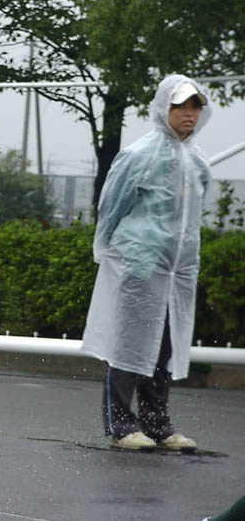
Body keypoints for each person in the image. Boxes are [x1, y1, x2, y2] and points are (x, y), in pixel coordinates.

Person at [80, 74, 212, 451]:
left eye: (195, 106)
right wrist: (106, 250)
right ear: (163, 107)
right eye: (181, 105)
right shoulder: (140, 155)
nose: (189, 113)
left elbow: (191, 217)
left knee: (163, 346)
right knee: (128, 342)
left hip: (177, 272)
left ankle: (157, 425)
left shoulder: (198, 161)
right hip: (138, 263)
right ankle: (122, 425)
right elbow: (112, 205)